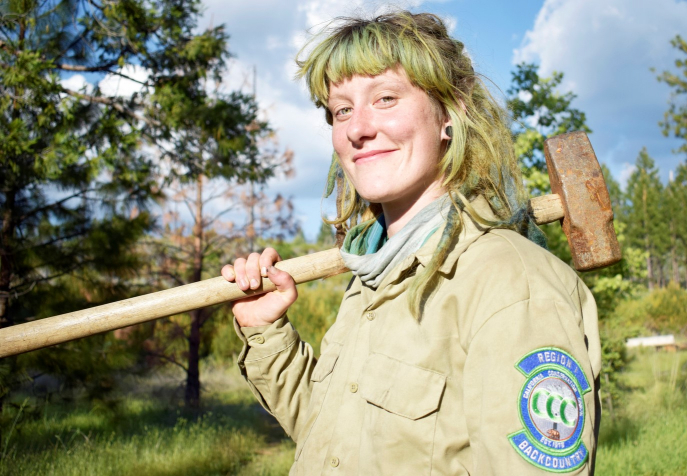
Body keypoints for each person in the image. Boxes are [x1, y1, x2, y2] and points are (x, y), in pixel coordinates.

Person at [221, 11, 601, 475]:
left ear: (451, 112)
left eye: (385, 98)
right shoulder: (371, 279)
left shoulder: (511, 286)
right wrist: (266, 331)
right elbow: (337, 443)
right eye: (342, 109)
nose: (357, 128)